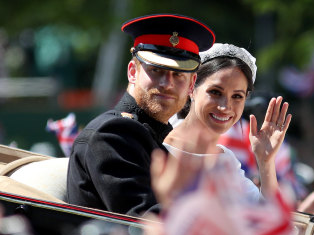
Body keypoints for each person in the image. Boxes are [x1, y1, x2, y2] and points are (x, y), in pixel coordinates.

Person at [66, 14, 215, 217]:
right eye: (156, 70)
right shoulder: (113, 134)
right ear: (132, 72)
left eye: (178, 74)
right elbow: (146, 221)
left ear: (191, 84)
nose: (167, 83)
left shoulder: (148, 135)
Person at [159, 43, 292, 202]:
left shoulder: (226, 159)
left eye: (237, 96)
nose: (225, 107)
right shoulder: (160, 148)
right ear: (191, 88)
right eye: (215, 92)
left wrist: (266, 162)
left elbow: (268, 217)